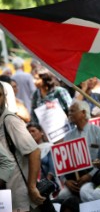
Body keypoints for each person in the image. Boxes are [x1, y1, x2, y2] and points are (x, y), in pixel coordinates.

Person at [0, 82, 45, 210]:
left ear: (5, 97)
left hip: (20, 197)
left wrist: (32, 187)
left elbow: (34, 152)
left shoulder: (10, 120)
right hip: (6, 199)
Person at [56, 100, 100, 200]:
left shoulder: (98, 132)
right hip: (73, 180)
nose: (69, 114)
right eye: (69, 111)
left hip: (94, 178)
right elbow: (62, 164)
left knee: (85, 191)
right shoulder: (68, 136)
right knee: (62, 195)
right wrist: (66, 181)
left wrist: (89, 175)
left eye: (72, 111)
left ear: (83, 113)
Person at [26, 123, 58, 189]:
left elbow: (53, 166)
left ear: (41, 132)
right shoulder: (28, 151)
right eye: (28, 132)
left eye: (33, 131)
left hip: (50, 182)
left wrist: (46, 183)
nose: (31, 134)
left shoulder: (49, 146)